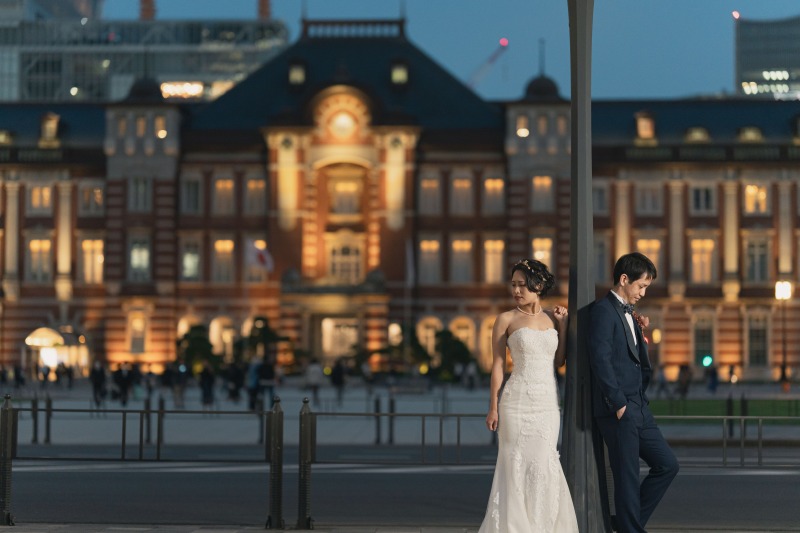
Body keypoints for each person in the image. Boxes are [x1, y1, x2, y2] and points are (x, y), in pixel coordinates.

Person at [478, 258, 578, 532]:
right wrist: (493, 407)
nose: (517, 291)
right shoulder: (505, 319)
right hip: (516, 403)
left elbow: (559, 361)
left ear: (539, 285)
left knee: (544, 463)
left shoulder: (552, 318)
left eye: (523, 285)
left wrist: (564, 325)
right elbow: (498, 365)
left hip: (547, 403)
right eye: (514, 285)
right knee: (515, 464)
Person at [588, 252, 679, 533]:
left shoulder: (629, 313)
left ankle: (624, 523)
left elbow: (633, 357)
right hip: (620, 408)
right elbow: (600, 359)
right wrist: (617, 404)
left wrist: (640, 333)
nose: (643, 293)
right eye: (641, 286)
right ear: (624, 279)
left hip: (639, 405)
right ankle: (630, 528)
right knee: (627, 477)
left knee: (667, 465)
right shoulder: (603, 311)